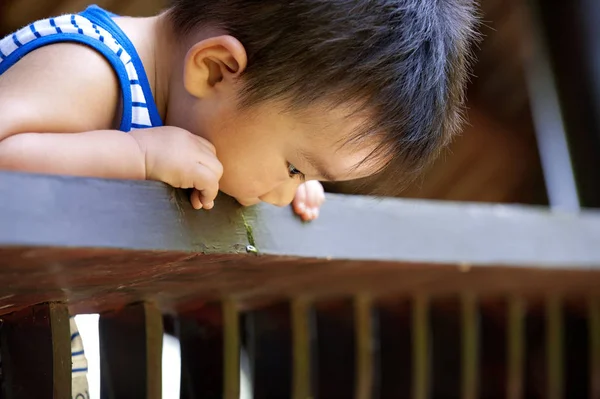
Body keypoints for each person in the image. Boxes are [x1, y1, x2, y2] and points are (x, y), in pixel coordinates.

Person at [0, 0, 478, 394]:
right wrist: (136, 153)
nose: (284, 193)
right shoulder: (88, 65)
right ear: (215, 70)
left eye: (313, 177)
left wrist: (288, 174)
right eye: (295, 166)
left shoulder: (184, 106)